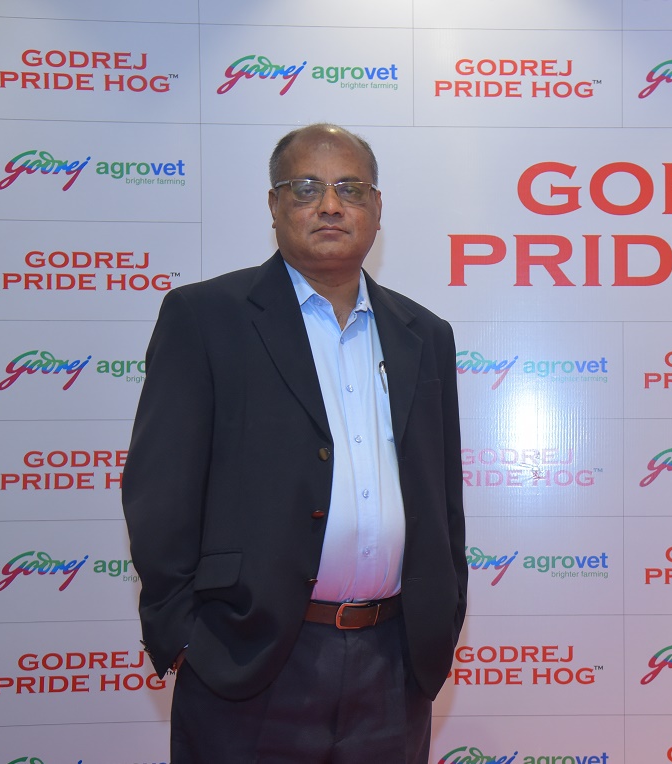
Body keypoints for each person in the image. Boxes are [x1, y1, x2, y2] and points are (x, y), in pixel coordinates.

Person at [122, 123, 467, 763]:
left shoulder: (425, 333)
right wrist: (188, 637)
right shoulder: (206, 318)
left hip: (393, 664)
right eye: (307, 188)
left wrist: (439, 623)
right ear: (275, 205)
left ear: (377, 208)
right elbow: (159, 491)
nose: (330, 205)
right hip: (249, 660)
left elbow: (443, 499)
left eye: (350, 189)